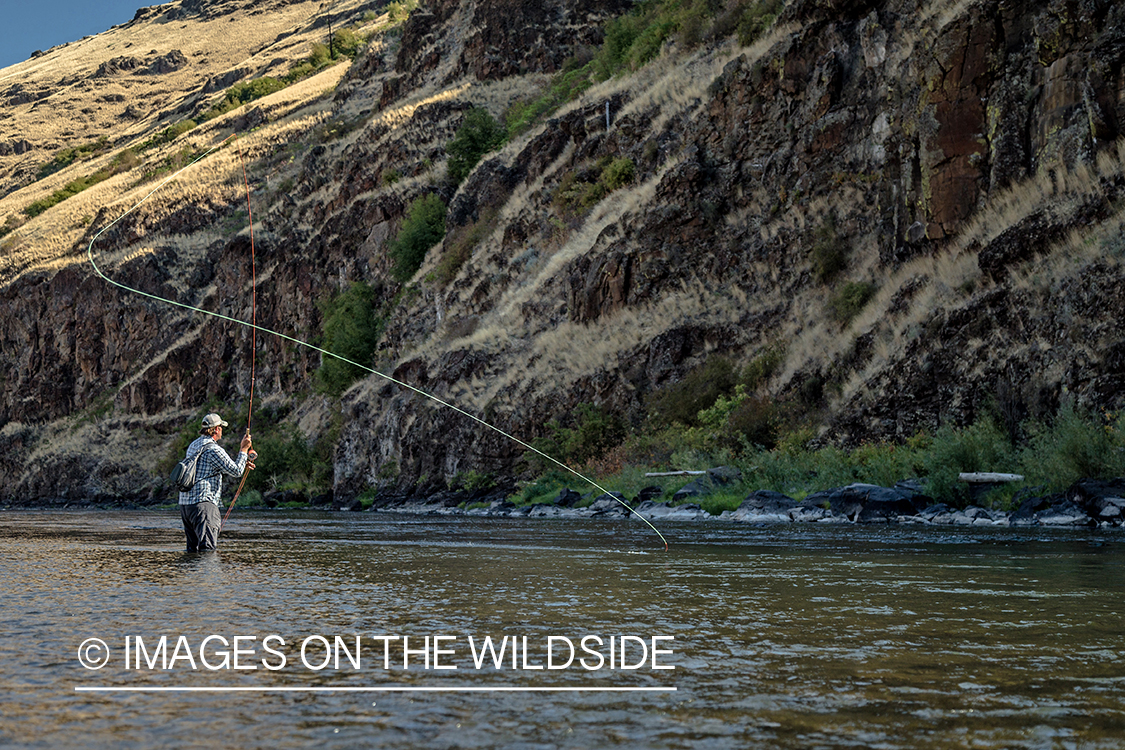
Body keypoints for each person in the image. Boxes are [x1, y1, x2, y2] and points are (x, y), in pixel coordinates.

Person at [179, 413, 255, 552]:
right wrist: (244, 449)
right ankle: (209, 575)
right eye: (221, 427)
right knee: (207, 551)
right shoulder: (214, 449)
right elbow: (236, 471)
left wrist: (243, 462)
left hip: (186, 505)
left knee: (192, 551)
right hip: (204, 504)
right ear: (216, 430)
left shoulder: (193, 445)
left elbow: (209, 468)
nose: (221, 430)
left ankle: (191, 575)